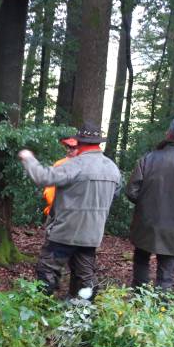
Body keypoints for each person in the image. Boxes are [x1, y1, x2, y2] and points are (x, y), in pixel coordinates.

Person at [18, 122, 121, 298]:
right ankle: (81, 313)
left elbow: (43, 177)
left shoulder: (76, 164)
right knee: (85, 276)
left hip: (65, 232)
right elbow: (115, 194)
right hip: (92, 234)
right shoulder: (112, 168)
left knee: (47, 270)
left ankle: (42, 310)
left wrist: (28, 158)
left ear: (79, 142)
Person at [125, 115, 174, 291]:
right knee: (167, 270)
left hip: (146, 223)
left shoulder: (148, 158)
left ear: (168, 135)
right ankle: (160, 308)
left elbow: (132, 191)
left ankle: (139, 298)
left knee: (141, 258)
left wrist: (146, 206)